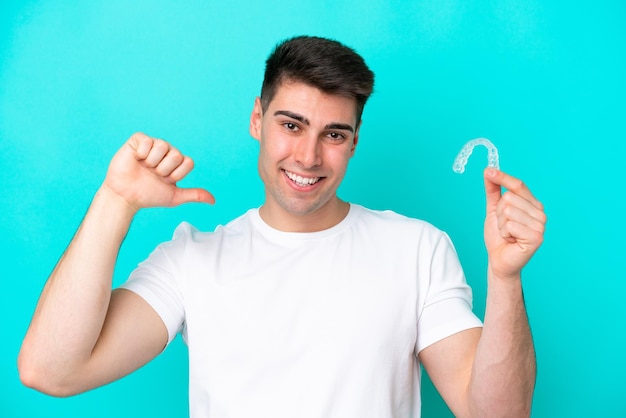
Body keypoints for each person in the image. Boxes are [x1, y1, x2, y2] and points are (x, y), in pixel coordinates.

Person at [18, 36, 546, 418]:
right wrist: (115, 202)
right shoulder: (192, 260)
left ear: (355, 141)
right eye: (291, 125)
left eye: (334, 135)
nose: (309, 156)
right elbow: (50, 371)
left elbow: (498, 416)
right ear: (257, 119)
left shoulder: (417, 249)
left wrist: (504, 278)